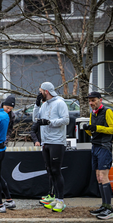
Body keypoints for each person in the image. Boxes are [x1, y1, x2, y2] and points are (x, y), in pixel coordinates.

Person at [33, 82, 69, 212]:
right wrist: (36, 105)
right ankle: (54, 197)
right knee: (49, 170)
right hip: (46, 141)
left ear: (46, 91)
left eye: (40, 91)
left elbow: (66, 120)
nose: (39, 93)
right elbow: (35, 119)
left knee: (56, 170)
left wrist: (49, 122)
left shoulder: (60, 103)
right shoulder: (44, 105)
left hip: (57, 141)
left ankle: (61, 200)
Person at [84, 91, 113, 219]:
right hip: (95, 146)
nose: (91, 103)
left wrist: (97, 128)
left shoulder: (107, 111)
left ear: (100, 100)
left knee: (104, 177)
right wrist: (88, 129)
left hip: (104, 147)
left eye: (93, 100)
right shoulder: (93, 113)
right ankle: (104, 206)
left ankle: (109, 209)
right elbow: (93, 132)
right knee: (98, 177)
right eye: (89, 101)